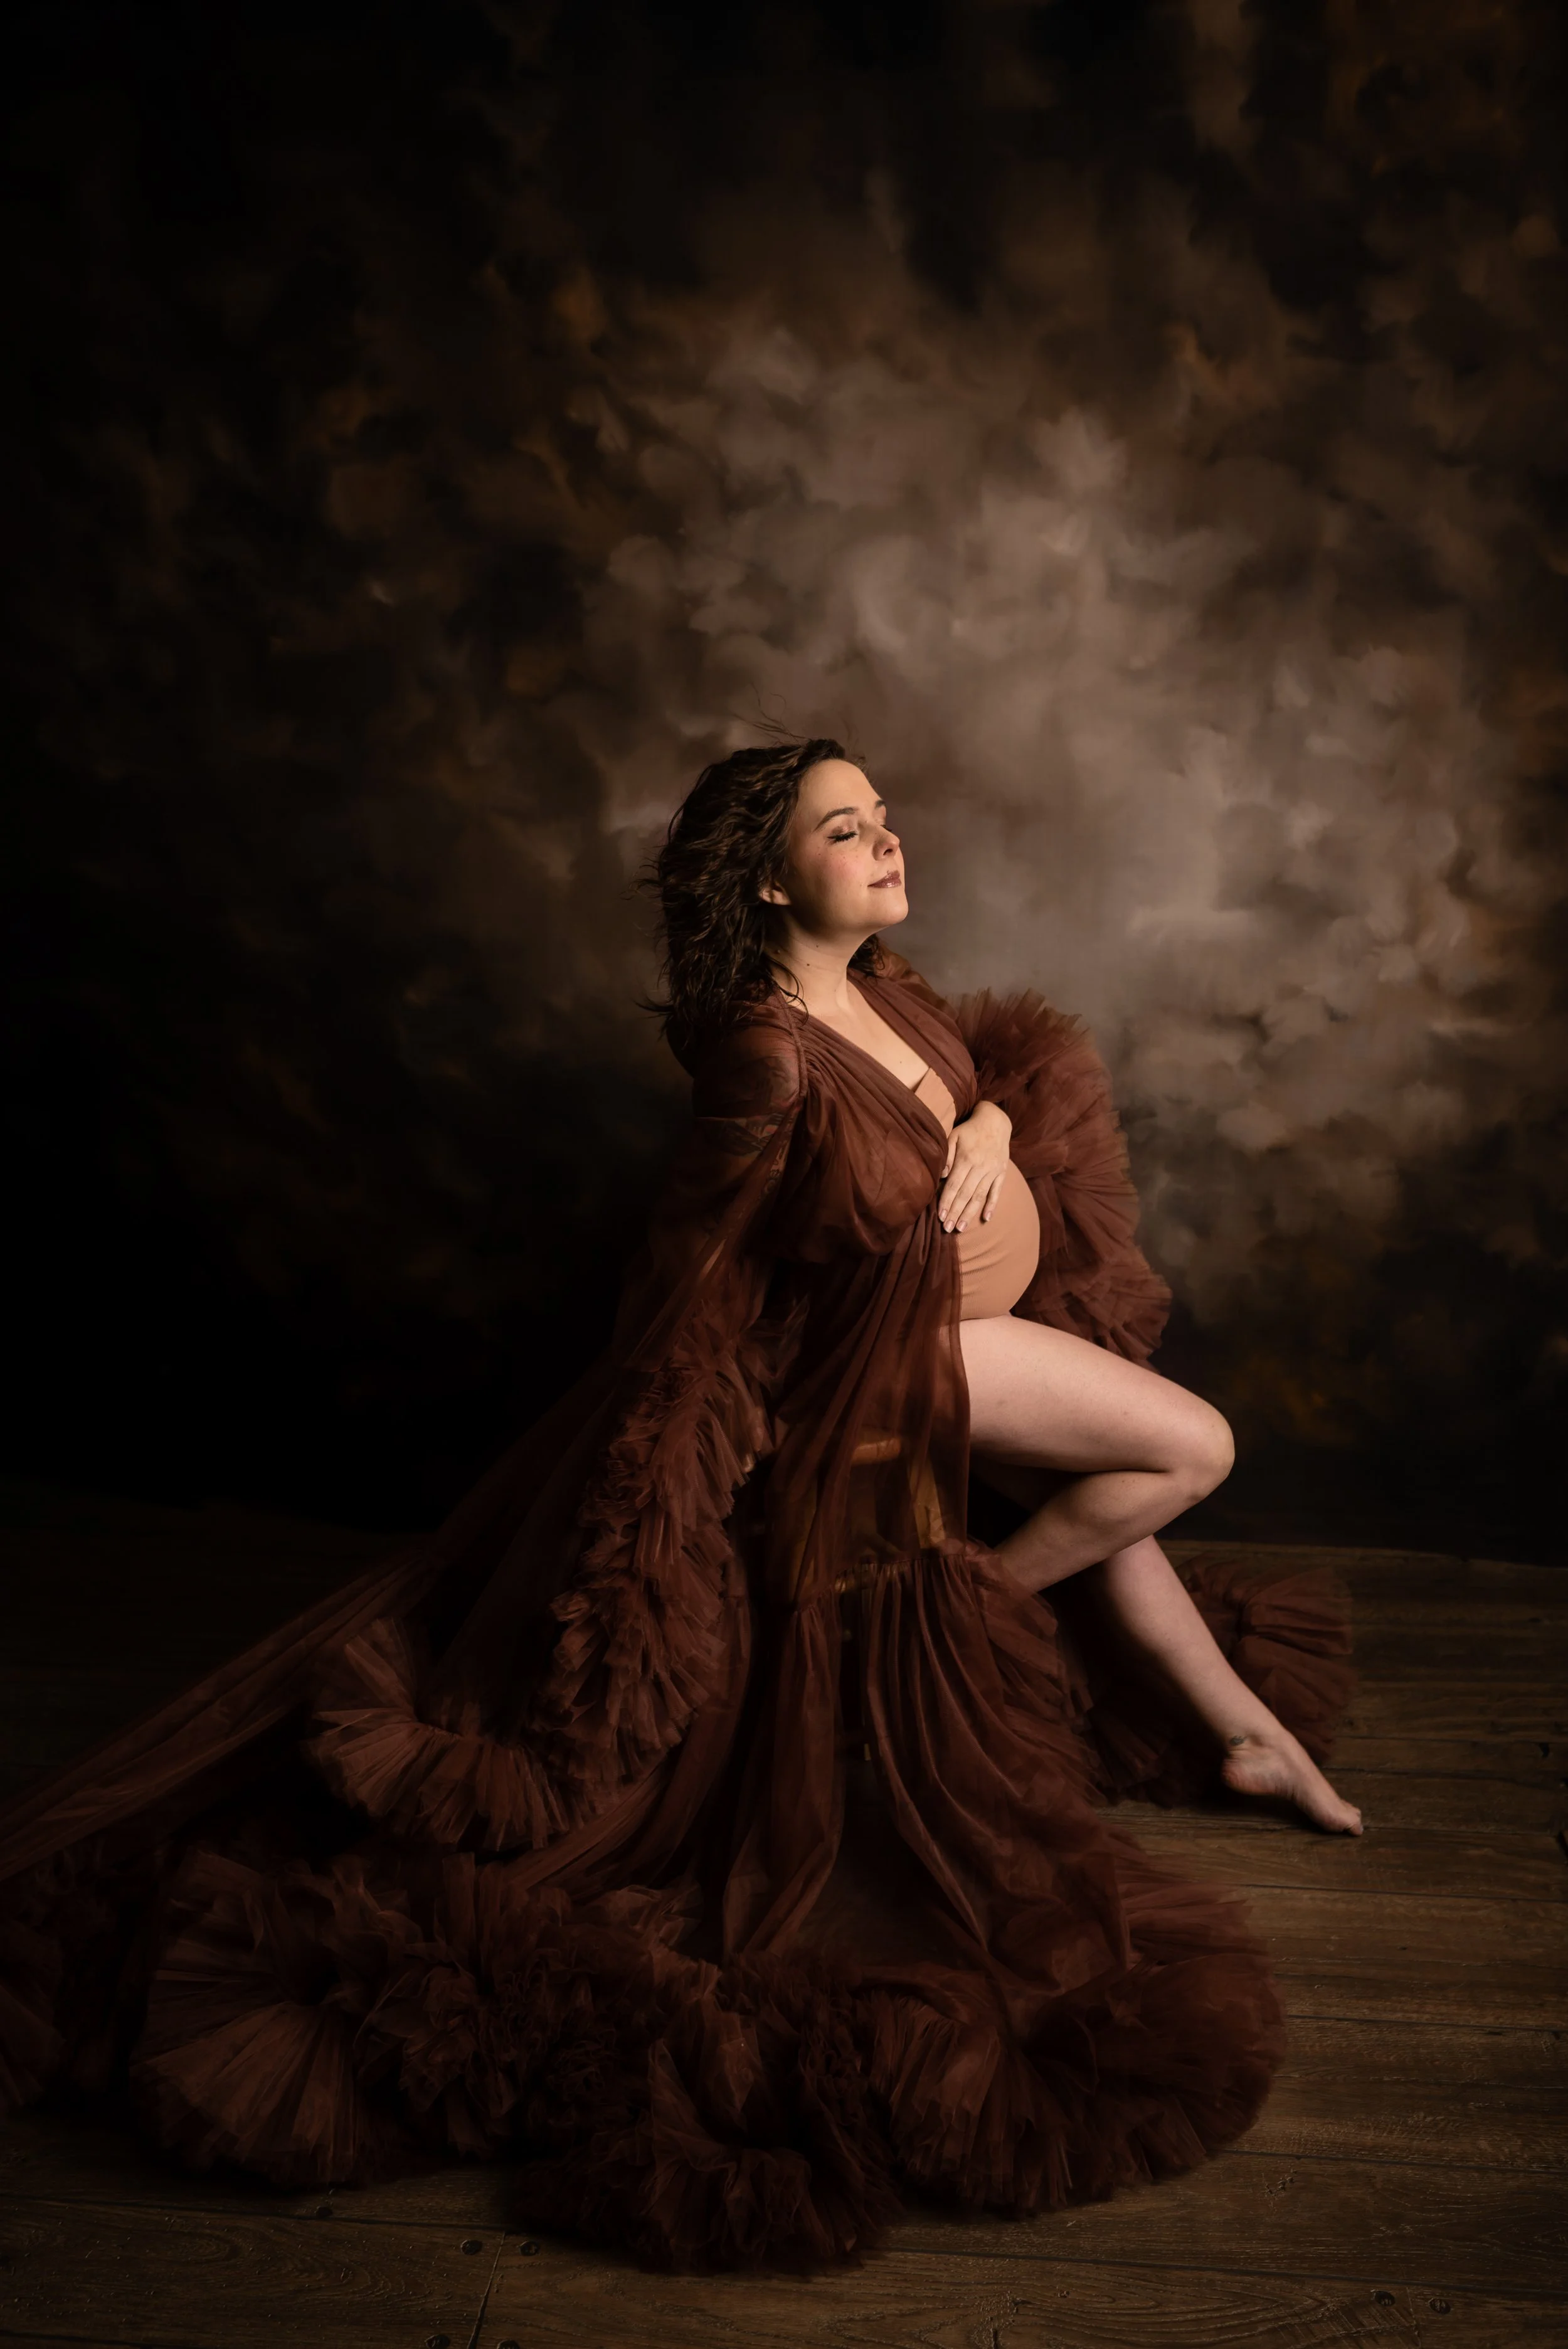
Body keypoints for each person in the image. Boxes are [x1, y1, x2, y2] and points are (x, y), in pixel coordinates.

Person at [0, 734, 1357, 2274]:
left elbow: (970, 1088)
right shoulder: (763, 1053)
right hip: (872, 1376)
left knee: (1129, 1480)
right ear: (773, 877)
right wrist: (678, 1476)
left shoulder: (890, 991)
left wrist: (982, 1135)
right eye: (848, 831)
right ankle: (977, 1603)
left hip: (953, 1351)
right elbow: (693, 1281)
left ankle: (1233, 1723)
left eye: (883, 818)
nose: (887, 842)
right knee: (1186, 1450)